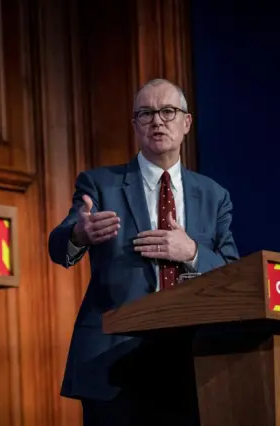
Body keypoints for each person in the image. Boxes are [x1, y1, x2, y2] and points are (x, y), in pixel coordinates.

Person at [48, 78, 240, 426]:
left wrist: (192, 251)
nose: (157, 121)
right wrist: (80, 233)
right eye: (146, 113)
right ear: (135, 124)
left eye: (168, 111)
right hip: (114, 361)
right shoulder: (99, 184)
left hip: (189, 361)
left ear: (186, 123)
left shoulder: (214, 196)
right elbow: (59, 246)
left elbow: (233, 273)